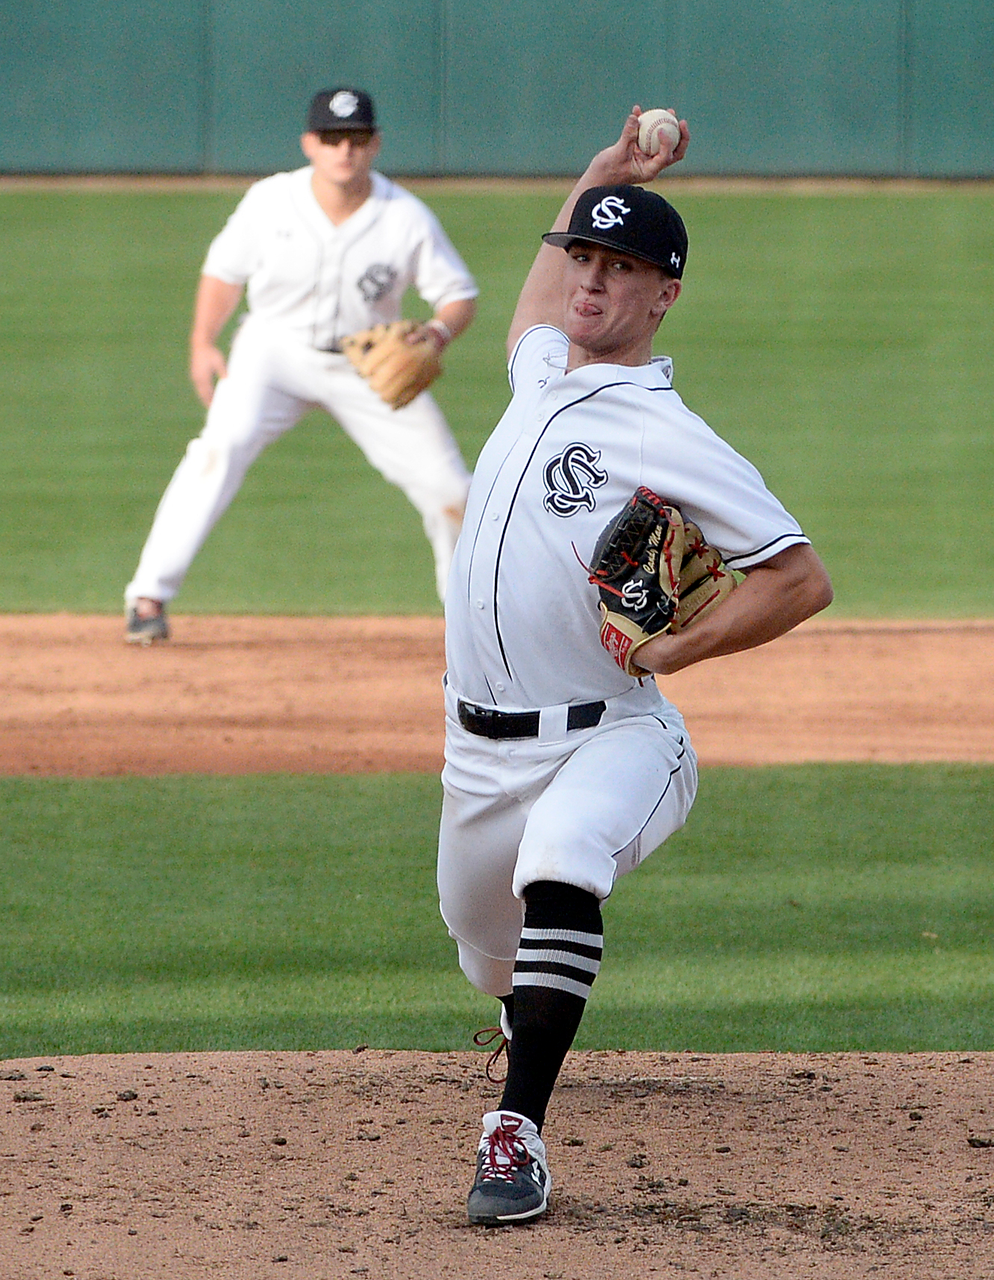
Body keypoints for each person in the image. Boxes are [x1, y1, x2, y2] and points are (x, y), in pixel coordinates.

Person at [436, 106, 834, 1226]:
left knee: (563, 858)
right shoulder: (544, 372)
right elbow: (527, 300)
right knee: (484, 953)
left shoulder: (668, 430)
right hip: (477, 750)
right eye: (585, 260)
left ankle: (514, 1135)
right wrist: (596, 176)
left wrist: (677, 647)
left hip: (614, 734)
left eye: (622, 269)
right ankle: (526, 1007)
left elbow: (799, 576)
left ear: (664, 294)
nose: (592, 282)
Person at [124, 87, 477, 642]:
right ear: (309, 144)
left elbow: (459, 295)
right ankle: (148, 598)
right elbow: (224, 271)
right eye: (332, 138)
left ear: (376, 144)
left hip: (367, 362)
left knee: (451, 489)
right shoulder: (270, 201)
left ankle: (470, 620)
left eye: (357, 139)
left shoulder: (405, 216)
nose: (345, 150)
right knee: (218, 449)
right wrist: (202, 341)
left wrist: (436, 332)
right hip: (274, 351)